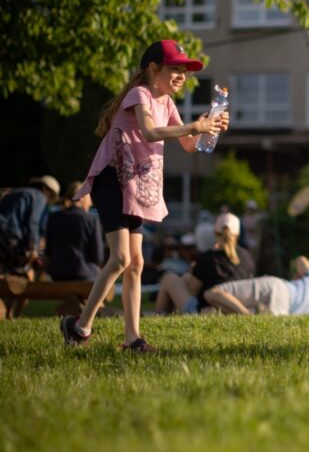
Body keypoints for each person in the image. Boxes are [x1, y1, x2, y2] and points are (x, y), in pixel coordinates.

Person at [60, 38, 228, 352]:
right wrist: (195, 126)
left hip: (135, 184)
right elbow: (150, 132)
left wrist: (211, 127)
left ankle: (132, 339)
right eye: (175, 69)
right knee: (121, 258)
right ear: (153, 68)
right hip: (112, 179)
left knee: (136, 263)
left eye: (184, 71)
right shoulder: (140, 94)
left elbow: (189, 145)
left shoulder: (168, 104)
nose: (181, 76)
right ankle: (79, 327)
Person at [155, 212, 255, 314]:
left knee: (169, 278)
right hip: (237, 304)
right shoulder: (247, 256)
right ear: (237, 234)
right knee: (186, 277)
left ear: (215, 232)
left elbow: (193, 291)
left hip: (204, 309)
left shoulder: (208, 258)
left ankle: (159, 314)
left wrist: (194, 271)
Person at [204, 255, 309, 316]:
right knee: (215, 310)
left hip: (279, 289)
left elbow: (301, 260)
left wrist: (299, 275)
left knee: (212, 294)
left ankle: (246, 315)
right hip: (279, 313)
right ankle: (247, 315)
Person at [44, 180, 104, 281]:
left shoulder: (54, 217)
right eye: (89, 198)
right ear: (81, 198)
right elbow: (98, 256)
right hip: (85, 274)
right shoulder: (92, 220)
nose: (90, 203)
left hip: (57, 275)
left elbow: (48, 251)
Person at [0, 175, 60, 276]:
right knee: (20, 269)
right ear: (45, 189)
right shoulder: (39, 197)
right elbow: (33, 222)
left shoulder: (17, 192)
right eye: (51, 196)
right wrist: (33, 247)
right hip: (10, 235)